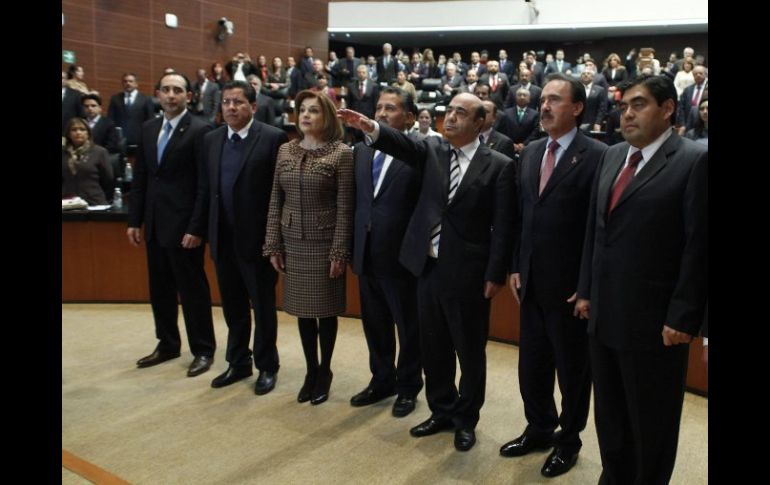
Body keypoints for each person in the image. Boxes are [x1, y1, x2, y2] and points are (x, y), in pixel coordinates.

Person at [339, 93, 516, 452]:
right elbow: (401, 143)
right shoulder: (432, 151)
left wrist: (496, 273)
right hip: (427, 267)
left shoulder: (498, 164)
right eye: (448, 111)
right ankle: (442, 409)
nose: (450, 118)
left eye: (460, 113)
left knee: (468, 352)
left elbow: (505, 224)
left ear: (479, 122)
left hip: (469, 273)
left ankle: (466, 420)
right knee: (433, 345)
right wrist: (371, 127)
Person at [574, 74, 707, 484]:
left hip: (656, 324)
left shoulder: (693, 159)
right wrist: (585, 291)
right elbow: (596, 233)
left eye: (639, 104)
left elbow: (699, 246)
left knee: (651, 420)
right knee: (610, 414)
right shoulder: (613, 155)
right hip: (604, 314)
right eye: (623, 106)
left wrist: (684, 317)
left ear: (668, 109)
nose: (626, 114)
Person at [500, 73, 607, 478]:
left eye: (555, 100)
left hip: (570, 290)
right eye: (543, 99)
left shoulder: (598, 154)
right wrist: (514, 264)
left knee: (573, 372)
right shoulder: (529, 154)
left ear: (577, 108)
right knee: (533, 366)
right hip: (530, 283)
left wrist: (587, 286)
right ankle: (539, 428)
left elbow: (597, 228)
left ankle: (569, 441)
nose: (544, 106)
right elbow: (521, 217)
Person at [263, 90, 354, 405]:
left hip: (325, 243)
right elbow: (275, 198)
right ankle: (310, 370)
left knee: (325, 312)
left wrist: (340, 252)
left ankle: (325, 370)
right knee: (302, 312)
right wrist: (273, 242)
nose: (305, 115)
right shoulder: (285, 150)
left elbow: (345, 207)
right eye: (302, 110)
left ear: (326, 116)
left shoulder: (341, 153)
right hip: (293, 243)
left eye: (313, 110)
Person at [127, 73, 217, 378]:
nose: (171, 95)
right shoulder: (149, 128)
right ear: (157, 94)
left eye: (177, 90)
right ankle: (167, 344)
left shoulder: (201, 130)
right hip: (153, 224)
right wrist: (134, 220)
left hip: (184, 229)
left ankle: (203, 349)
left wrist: (196, 227)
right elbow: (141, 179)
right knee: (160, 289)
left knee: (193, 291)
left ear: (188, 97)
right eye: (165, 89)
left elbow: (205, 186)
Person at [203, 80, 288, 393]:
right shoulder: (211, 140)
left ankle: (267, 366)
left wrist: (275, 240)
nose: (231, 107)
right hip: (222, 239)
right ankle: (238, 363)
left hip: (258, 241)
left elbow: (279, 194)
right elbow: (205, 190)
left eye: (238, 102)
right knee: (233, 306)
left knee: (263, 307)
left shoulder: (272, 137)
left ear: (253, 106)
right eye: (226, 102)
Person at [349, 87, 423, 417]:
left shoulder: (420, 150)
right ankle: (382, 379)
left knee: (408, 326)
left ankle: (408, 387)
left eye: (390, 108)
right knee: (374, 323)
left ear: (409, 117)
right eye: (378, 107)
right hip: (366, 252)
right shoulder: (361, 152)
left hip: (401, 257)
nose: (380, 113)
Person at [62, 117, 114, 206]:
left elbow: (108, 180)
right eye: (74, 130)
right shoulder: (63, 153)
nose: (78, 132)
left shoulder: (99, 152)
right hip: (67, 203)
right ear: (68, 134)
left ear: (88, 133)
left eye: (82, 129)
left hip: (94, 202)